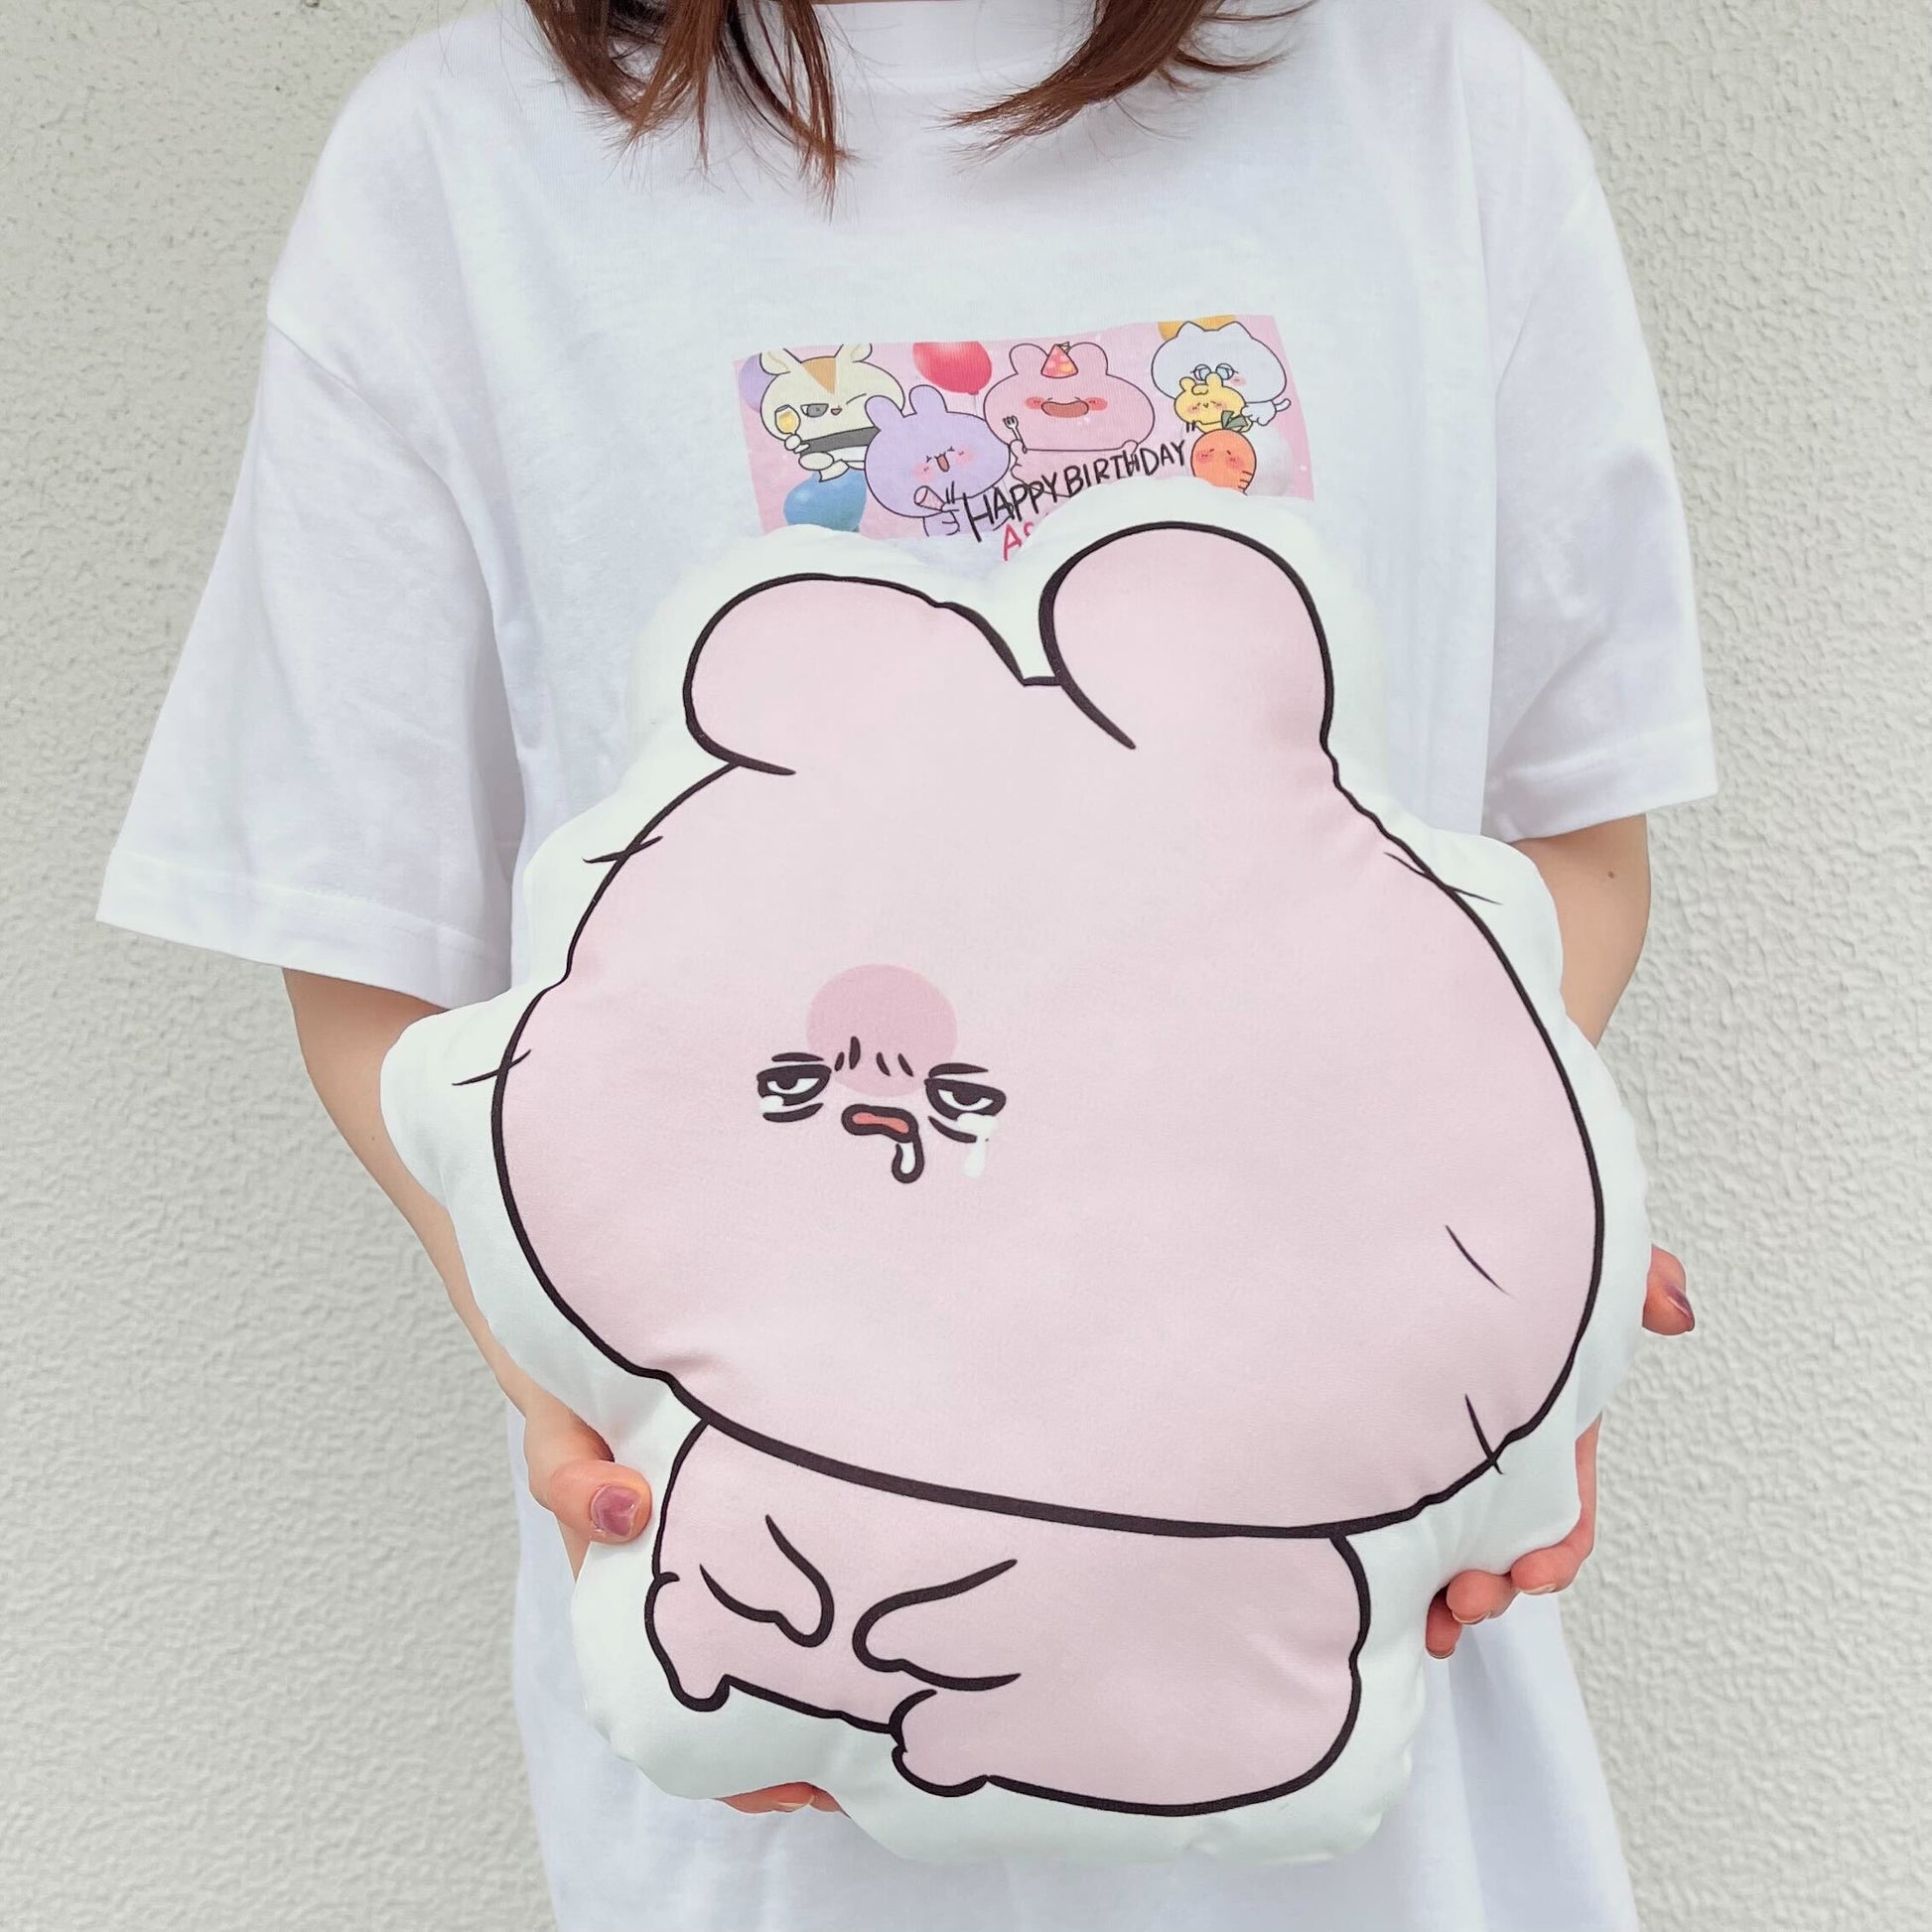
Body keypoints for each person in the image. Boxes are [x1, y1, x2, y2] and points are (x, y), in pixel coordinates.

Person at [98, 0, 1713, 1924]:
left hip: (1379, 1769)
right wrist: (576, 1370)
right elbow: (367, 958)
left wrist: (1489, 1283)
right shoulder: (460, 169)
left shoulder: (1434, 107)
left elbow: (1573, 846)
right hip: (769, 1740)